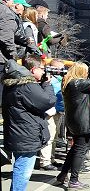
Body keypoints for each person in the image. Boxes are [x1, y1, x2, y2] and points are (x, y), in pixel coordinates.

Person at [2, 58, 56, 191]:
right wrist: (47, 85)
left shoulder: (11, 85)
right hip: (26, 134)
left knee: (20, 166)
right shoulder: (26, 86)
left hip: (17, 132)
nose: (44, 71)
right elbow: (47, 101)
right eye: (42, 69)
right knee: (23, 170)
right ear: (33, 70)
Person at [56, 62, 90, 189]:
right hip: (82, 122)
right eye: (85, 71)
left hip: (76, 121)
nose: (87, 74)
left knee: (75, 149)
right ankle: (74, 179)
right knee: (80, 150)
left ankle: (63, 174)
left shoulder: (71, 84)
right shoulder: (77, 83)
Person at [0, 0, 18, 106]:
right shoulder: (6, 13)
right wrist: (13, 56)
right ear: (6, 0)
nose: (13, 2)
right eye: (12, 0)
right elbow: (6, 38)